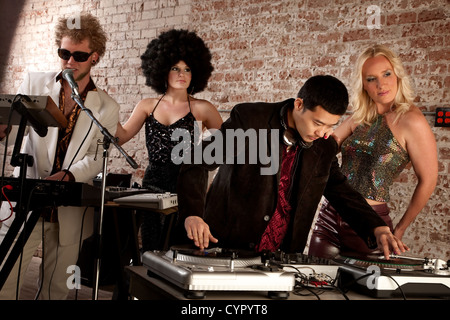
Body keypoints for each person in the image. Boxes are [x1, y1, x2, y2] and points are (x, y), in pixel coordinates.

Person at [175, 74, 408, 260]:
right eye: (317, 123)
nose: (323, 133)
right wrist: (193, 214)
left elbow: (341, 192)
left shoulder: (324, 146)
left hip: (281, 257)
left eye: (330, 125)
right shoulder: (250, 120)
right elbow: (197, 160)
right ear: (299, 105)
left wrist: (376, 227)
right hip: (225, 247)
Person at [0, 13, 120, 299]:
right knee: (3, 282)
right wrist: (4, 130)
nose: (70, 61)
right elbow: (16, 132)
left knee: (56, 292)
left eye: (79, 55)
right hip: (25, 200)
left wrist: (68, 176)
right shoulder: (33, 82)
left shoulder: (107, 106)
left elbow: (96, 157)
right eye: (64, 53)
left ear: (95, 57)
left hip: (69, 210)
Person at [308, 45, 438, 259]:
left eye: (386, 74)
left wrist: (401, 228)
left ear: (397, 74)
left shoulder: (412, 120)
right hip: (329, 217)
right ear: (364, 86)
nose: (381, 84)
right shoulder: (361, 116)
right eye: (371, 79)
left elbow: (428, 180)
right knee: (312, 282)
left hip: (370, 224)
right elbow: (325, 148)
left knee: (363, 290)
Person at [115, 29, 222, 252]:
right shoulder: (147, 105)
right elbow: (121, 136)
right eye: (175, 68)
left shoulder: (202, 108)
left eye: (187, 69)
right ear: (162, 69)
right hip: (152, 186)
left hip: (185, 187)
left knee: (180, 249)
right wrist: (104, 109)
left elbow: (225, 147)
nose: (182, 74)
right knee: (150, 248)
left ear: (196, 73)